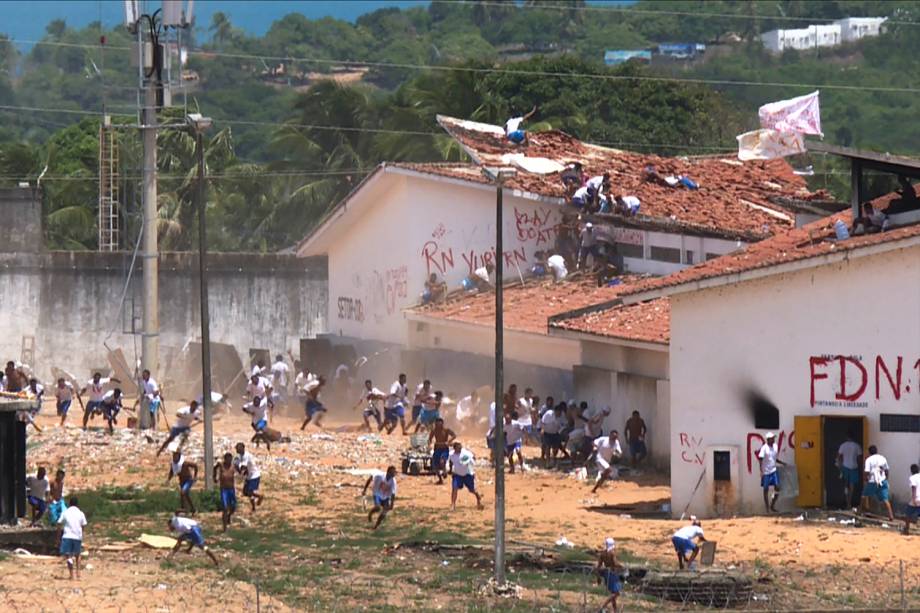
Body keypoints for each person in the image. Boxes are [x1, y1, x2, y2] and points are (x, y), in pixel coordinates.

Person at [861, 444, 894, 521]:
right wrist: (886, 479)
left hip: (872, 481)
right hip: (882, 480)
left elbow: (866, 471)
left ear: (869, 452)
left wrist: (865, 479)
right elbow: (887, 470)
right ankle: (891, 515)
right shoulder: (882, 458)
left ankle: (860, 510)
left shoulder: (868, 460)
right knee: (885, 499)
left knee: (864, 495)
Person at [58, 496, 87, 580]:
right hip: (77, 536)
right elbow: (83, 525)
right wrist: (81, 534)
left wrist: (59, 534)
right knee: (78, 555)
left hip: (67, 536)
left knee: (68, 555)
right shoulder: (80, 513)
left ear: (69, 504)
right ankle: (78, 573)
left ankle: (71, 575)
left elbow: (59, 523)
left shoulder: (65, 512)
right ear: (77, 504)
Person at [448, 442, 484, 510]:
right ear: (454, 448)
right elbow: (451, 461)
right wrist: (450, 469)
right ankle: (453, 504)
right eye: (458, 448)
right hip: (457, 474)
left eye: (460, 448)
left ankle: (478, 497)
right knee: (454, 488)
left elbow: (473, 457)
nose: (460, 449)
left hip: (467, 474)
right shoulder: (451, 454)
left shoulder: (465, 453)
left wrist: (469, 461)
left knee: (472, 490)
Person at [758, 432, 787, 513]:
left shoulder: (775, 446)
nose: (773, 439)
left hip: (773, 470)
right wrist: (761, 471)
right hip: (766, 471)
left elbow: (774, 458)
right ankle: (767, 508)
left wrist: (782, 463)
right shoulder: (764, 448)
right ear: (768, 440)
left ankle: (772, 505)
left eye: (774, 438)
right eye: (772, 438)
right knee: (766, 489)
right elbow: (760, 459)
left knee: (777, 487)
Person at [596, 537, 625, 612]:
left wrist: (598, 577)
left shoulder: (602, 553)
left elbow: (598, 566)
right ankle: (603, 606)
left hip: (606, 573)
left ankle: (615, 610)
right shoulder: (612, 553)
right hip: (613, 573)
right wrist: (622, 566)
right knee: (616, 593)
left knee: (613, 593)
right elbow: (615, 563)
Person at [836, 431, 863, 510]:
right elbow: (859, 459)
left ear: (846, 437)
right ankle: (849, 503)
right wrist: (861, 468)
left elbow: (838, 457)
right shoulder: (857, 446)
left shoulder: (843, 445)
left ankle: (845, 501)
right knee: (852, 486)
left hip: (845, 467)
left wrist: (839, 467)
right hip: (854, 467)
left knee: (845, 485)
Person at [235, 443, 264, 512]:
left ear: (243, 448)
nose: (237, 450)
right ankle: (259, 496)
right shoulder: (240, 456)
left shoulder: (246, 456)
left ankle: (253, 508)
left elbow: (243, 467)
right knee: (245, 492)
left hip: (254, 476)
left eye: (238, 448)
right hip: (248, 476)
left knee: (250, 493)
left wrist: (240, 475)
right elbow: (237, 465)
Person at [214, 452, 237, 532]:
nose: (229, 461)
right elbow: (215, 467)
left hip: (231, 489)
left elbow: (240, 470)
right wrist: (215, 477)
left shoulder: (233, 466)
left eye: (230, 459)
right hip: (224, 490)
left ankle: (229, 516)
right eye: (228, 459)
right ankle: (224, 528)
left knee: (233, 507)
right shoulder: (221, 465)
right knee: (225, 507)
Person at [428, 418, 456, 484]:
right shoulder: (434, 430)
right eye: (436, 423)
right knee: (435, 466)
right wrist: (429, 444)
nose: (437, 425)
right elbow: (430, 439)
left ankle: (444, 471)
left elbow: (454, 435)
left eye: (439, 423)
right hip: (437, 449)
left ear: (442, 423)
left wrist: (449, 441)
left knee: (442, 461)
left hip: (444, 449)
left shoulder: (446, 430)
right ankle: (440, 479)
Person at [904, 464, 920, 536]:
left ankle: (907, 529)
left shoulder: (912, 478)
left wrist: (913, 499)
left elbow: (914, 488)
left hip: (916, 498)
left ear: (911, 471)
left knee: (908, 514)